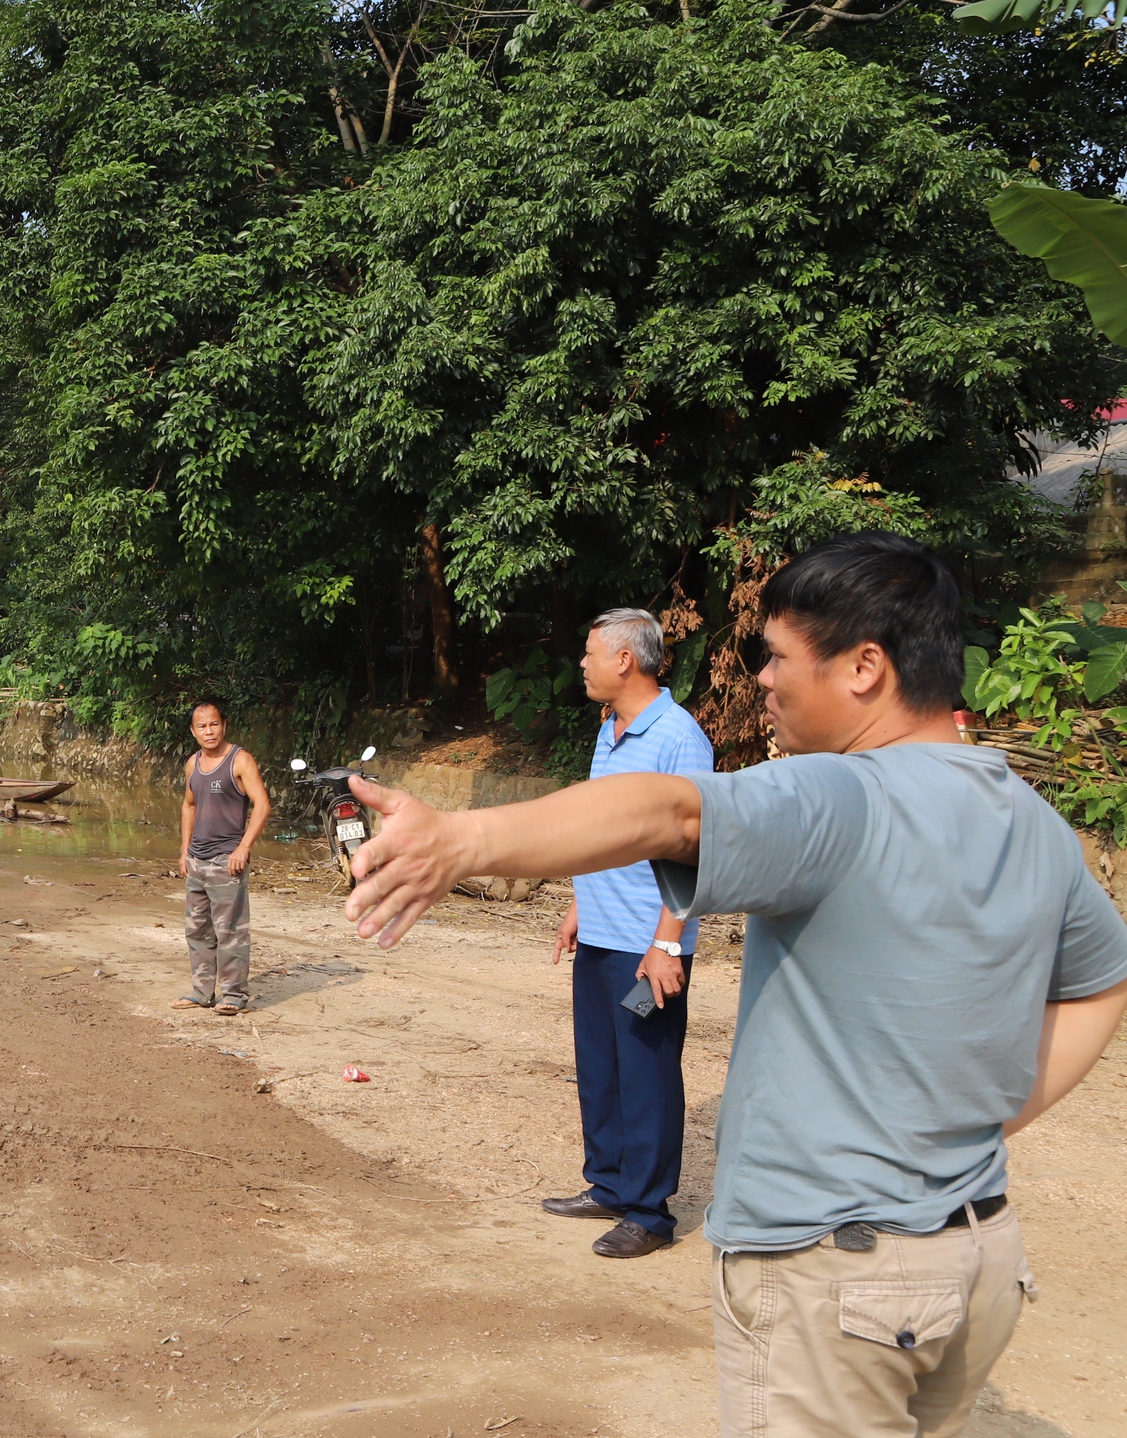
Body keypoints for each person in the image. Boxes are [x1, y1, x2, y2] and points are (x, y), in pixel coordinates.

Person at [340, 532, 1127, 1437]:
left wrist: (463, 841)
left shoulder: (839, 795)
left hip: (839, 1274)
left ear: (865, 666)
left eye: (780, 656)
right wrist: (997, 1113)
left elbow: (668, 811)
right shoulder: (1026, 814)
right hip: (977, 1253)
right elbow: (1100, 983)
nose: (760, 678)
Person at [546, 609, 716, 1259]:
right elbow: (601, 828)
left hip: (649, 941)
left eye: (590, 653)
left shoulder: (679, 737)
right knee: (601, 1070)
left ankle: (650, 1211)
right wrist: (579, 903)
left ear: (624, 660)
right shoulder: (609, 730)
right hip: (602, 932)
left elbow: (699, 849)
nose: (582, 664)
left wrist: (669, 941)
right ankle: (610, 1185)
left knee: (646, 1075)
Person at [178, 699, 271, 1016]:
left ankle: (233, 995)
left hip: (226, 859)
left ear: (224, 725)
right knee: (197, 930)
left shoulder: (240, 760)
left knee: (230, 930)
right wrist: (184, 851)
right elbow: (189, 805)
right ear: (193, 731)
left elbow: (262, 805)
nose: (209, 731)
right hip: (197, 861)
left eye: (214, 724)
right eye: (202, 726)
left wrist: (243, 847)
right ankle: (202, 991)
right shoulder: (193, 764)